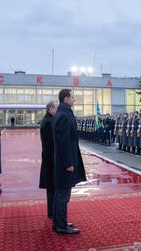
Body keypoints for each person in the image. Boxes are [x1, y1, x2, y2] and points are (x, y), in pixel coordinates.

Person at [53, 89, 87, 234]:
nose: (74, 100)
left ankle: (59, 222)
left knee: (62, 193)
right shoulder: (63, 115)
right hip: (64, 162)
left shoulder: (64, 113)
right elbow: (63, 142)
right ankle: (61, 225)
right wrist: (68, 163)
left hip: (65, 160)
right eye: (73, 97)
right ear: (66, 98)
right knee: (63, 194)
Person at [39, 101, 58, 220]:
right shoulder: (48, 122)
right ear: (51, 109)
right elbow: (52, 143)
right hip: (51, 158)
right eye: (56, 108)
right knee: (52, 186)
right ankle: (52, 211)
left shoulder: (48, 120)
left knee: (52, 186)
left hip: (49, 156)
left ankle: (52, 210)